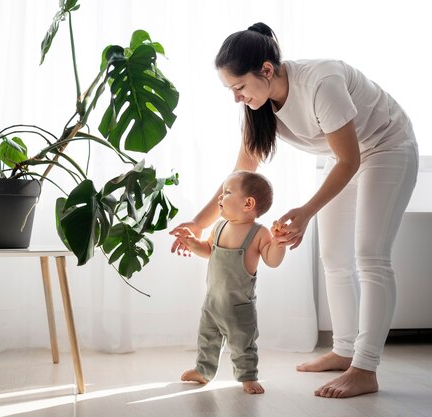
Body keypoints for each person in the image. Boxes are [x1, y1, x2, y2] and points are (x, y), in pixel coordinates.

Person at [170, 22, 419, 398]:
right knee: (334, 257)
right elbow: (242, 172)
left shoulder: (321, 83)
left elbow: (350, 160)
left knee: (370, 255)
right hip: (341, 159)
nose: (236, 97)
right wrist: (201, 224)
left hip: (386, 147)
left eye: (239, 87)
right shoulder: (259, 105)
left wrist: (305, 211)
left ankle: (365, 368)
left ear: (266, 70)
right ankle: (343, 350)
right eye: (230, 89)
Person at [173, 170, 285, 394]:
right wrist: (193, 243)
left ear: (248, 203)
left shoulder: (259, 233)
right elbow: (208, 250)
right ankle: (203, 371)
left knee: (243, 343)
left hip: (239, 307)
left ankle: (247, 376)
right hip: (213, 302)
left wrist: (279, 243)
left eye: (226, 192)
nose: (219, 198)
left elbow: (272, 261)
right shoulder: (219, 226)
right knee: (207, 339)